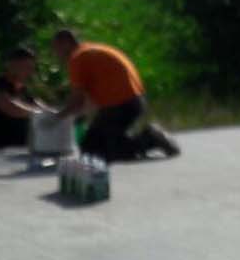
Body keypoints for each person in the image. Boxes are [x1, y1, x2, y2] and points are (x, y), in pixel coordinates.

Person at [50, 28, 179, 162]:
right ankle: (130, 141)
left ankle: (150, 138)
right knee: (91, 147)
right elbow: (87, 100)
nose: (55, 52)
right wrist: (79, 117)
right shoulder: (89, 51)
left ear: (66, 43)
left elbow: (77, 101)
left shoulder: (77, 58)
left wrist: (56, 118)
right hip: (130, 102)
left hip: (121, 105)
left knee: (99, 152)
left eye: (56, 47)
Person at [0, 46, 50, 151]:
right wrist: (38, 113)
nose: (30, 72)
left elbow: (39, 104)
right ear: (13, 65)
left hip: (23, 148)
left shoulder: (23, 89)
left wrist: (55, 114)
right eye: (27, 67)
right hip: (2, 151)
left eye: (32, 68)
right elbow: (10, 107)